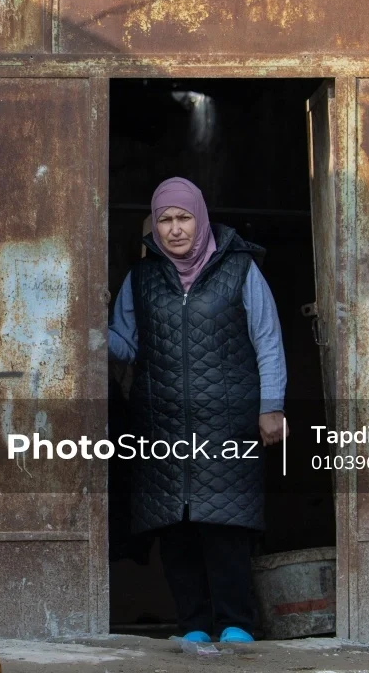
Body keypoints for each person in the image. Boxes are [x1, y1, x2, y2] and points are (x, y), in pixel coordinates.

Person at [108, 176, 287, 644]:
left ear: (201, 219)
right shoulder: (141, 279)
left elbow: (267, 341)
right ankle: (192, 626)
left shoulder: (241, 270)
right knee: (175, 527)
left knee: (224, 525)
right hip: (161, 424)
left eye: (183, 218)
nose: (175, 229)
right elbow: (125, 346)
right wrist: (82, 322)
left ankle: (235, 624)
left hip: (227, 421)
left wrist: (272, 406)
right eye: (165, 220)